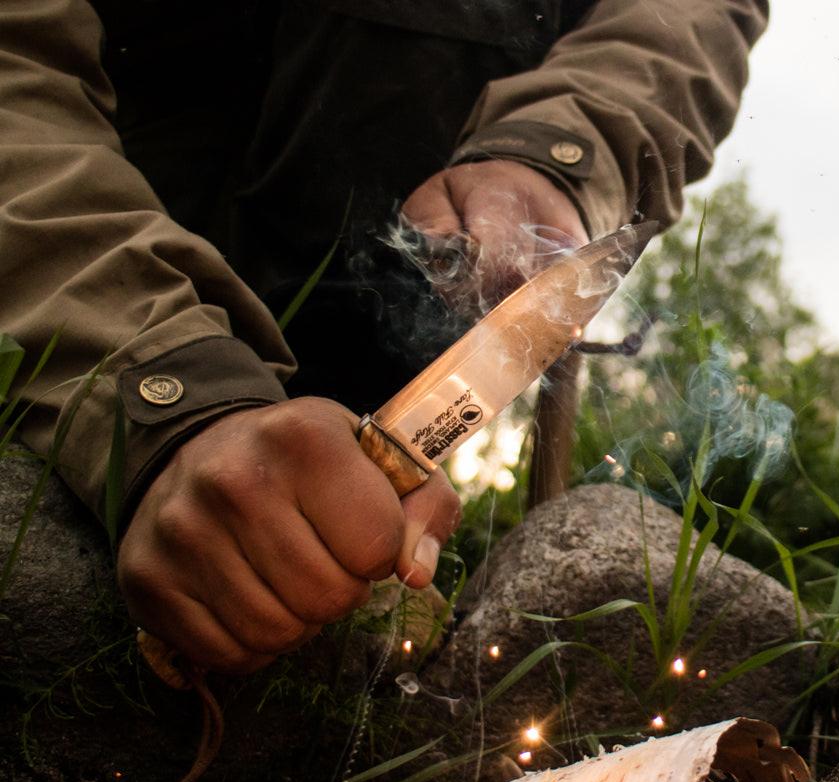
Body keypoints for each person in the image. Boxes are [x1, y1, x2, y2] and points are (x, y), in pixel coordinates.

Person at [0, 0, 768, 674]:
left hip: (376, 350)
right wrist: (163, 393)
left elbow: (685, 14)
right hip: (68, 295)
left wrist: (556, 150)